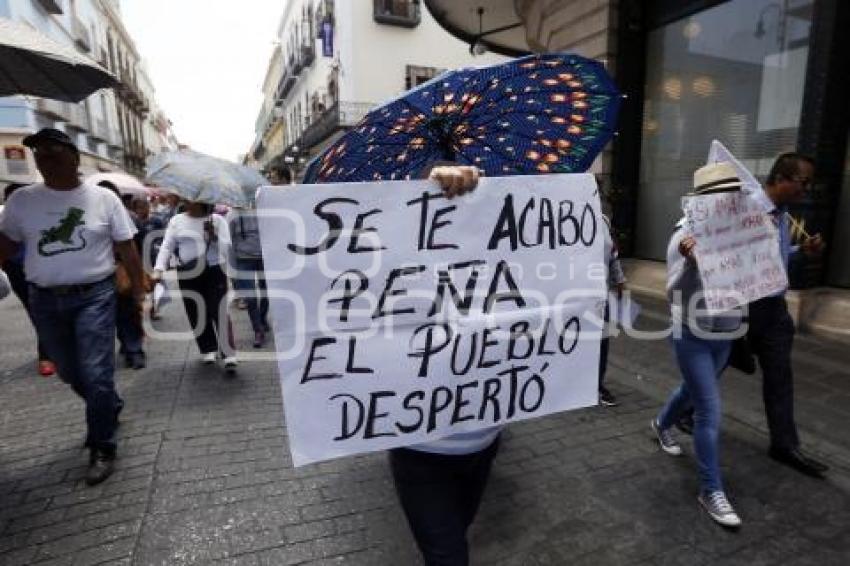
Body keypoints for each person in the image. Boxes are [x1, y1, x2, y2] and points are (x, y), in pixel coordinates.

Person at [0, 128, 145, 485]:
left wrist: (139, 290)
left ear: (75, 157)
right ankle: (107, 406)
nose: (45, 157)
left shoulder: (102, 200)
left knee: (96, 374)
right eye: (38, 152)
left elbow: (127, 248)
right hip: (44, 299)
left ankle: (102, 445)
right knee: (68, 370)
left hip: (94, 294)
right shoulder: (22, 201)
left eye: (53, 149)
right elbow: (4, 248)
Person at [385, 164, 495, 566]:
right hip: (418, 448)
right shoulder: (400, 254)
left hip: (484, 440)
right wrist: (431, 186)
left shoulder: (501, 253)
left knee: (453, 537)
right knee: (449, 555)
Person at [650, 162, 744, 528]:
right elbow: (671, 291)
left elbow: (762, 270)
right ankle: (710, 489)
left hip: (728, 331)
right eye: (726, 196)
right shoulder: (683, 235)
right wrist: (691, 263)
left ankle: (661, 423)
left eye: (736, 195)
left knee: (692, 390)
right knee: (709, 409)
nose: (732, 202)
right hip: (692, 332)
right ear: (707, 201)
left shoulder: (741, 230)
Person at [750, 153, 829, 478]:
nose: (807, 190)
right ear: (781, 177)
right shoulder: (750, 210)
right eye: (803, 182)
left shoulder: (782, 214)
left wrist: (800, 251)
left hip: (775, 310)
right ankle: (679, 413)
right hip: (747, 307)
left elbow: (776, 256)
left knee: (780, 377)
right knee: (712, 366)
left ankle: (784, 444)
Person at [151, 199, 237, 371]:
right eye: (185, 200)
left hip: (214, 269)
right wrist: (159, 268)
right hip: (187, 271)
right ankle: (208, 348)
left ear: (201, 202)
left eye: (190, 200)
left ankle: (228, 353)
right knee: (195, 310)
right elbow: (167, 246)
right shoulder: (177, 220)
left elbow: (227, 249)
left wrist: (214, 236)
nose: (186, 203)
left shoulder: (217, 220)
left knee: (217, 309)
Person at [226, 169, 291, 348]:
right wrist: (232, 271)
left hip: (265, 259)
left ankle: (261, 318)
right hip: (242, 260)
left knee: (266, 292)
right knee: (251, 297)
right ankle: (258, 330)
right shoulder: (232, 215)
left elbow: (277, 233)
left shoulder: (267, 211)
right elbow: (228, 243)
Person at [1, 183, 56, 376]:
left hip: (43, 268)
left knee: (48, 310)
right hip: (17, 270)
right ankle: (46, 355)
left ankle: (53, 349)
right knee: (37, 311)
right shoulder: (4, 221)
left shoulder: (38, 216)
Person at [97, 181, 147, 370]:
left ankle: (133, 350)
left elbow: (139, 246)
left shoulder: (129, 218)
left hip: (121, 271)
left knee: (127, 312)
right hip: (98, 275)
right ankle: (126, 349)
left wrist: (138, 279)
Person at [598, 213, 626, 407]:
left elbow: (613, 255)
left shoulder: (604, 221)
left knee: (601, 342)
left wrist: (620, 280)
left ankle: (596, 386)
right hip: (571, 295)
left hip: (601, 295)